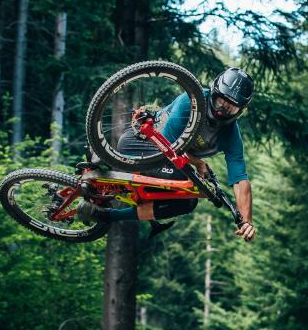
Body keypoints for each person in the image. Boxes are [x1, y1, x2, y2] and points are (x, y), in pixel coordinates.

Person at [81, 66, 257, 242]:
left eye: (231, 107)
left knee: (187, 200)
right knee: (187, 181)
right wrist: (199, 164)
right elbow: (168, 146)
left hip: (171, 161)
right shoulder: (191, 101)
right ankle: (104, 162)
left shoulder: (231, 135)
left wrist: (246, 221)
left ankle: (107, 216)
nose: (222, 109)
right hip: (140, 144)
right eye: (221, 100)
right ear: (213, 92)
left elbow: (240, 179)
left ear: (240, 110)